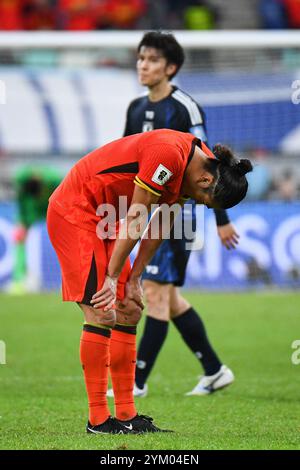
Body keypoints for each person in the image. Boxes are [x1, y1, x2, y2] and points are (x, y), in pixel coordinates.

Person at [47, 128, 252, 434]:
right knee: (102, 311)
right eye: (206, 203)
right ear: (207, 182)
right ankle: (99, 421)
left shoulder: (198, 166)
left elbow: (161, 223)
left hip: (107, 220)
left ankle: (127, 416)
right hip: (76, 211)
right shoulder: (168, 154)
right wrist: (113, 278)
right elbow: (137, 218)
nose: (202, 205)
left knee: (129, 308)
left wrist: (135, 278)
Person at [114, 31, 239, 398]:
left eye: (151, 60)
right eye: (140, 58)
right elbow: (126, 159)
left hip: (178, 213)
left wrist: (221, 219)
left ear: (170, 67)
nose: (143, 65)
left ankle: (136, 381)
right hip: (145, 209)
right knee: (168, 300)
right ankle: (214, 371)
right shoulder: (135, 108)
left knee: (153, 293)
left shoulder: (185, 106)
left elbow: (211, 168)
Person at [11, 165, 61, 294]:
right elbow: (21, 200)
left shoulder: (53, 178)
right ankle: (20, 280)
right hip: (32, 211)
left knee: (63, 242)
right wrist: (21, 222)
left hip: (54, 208)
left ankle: (66, 280)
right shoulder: (22, 179)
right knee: (20, 240)